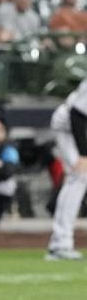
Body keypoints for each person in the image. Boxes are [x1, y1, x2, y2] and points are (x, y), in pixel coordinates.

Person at [45, 78, 87, 261]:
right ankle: (60, 244)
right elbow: (77, 113)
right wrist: (83, 155)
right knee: (80, 176)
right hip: (68, 127)